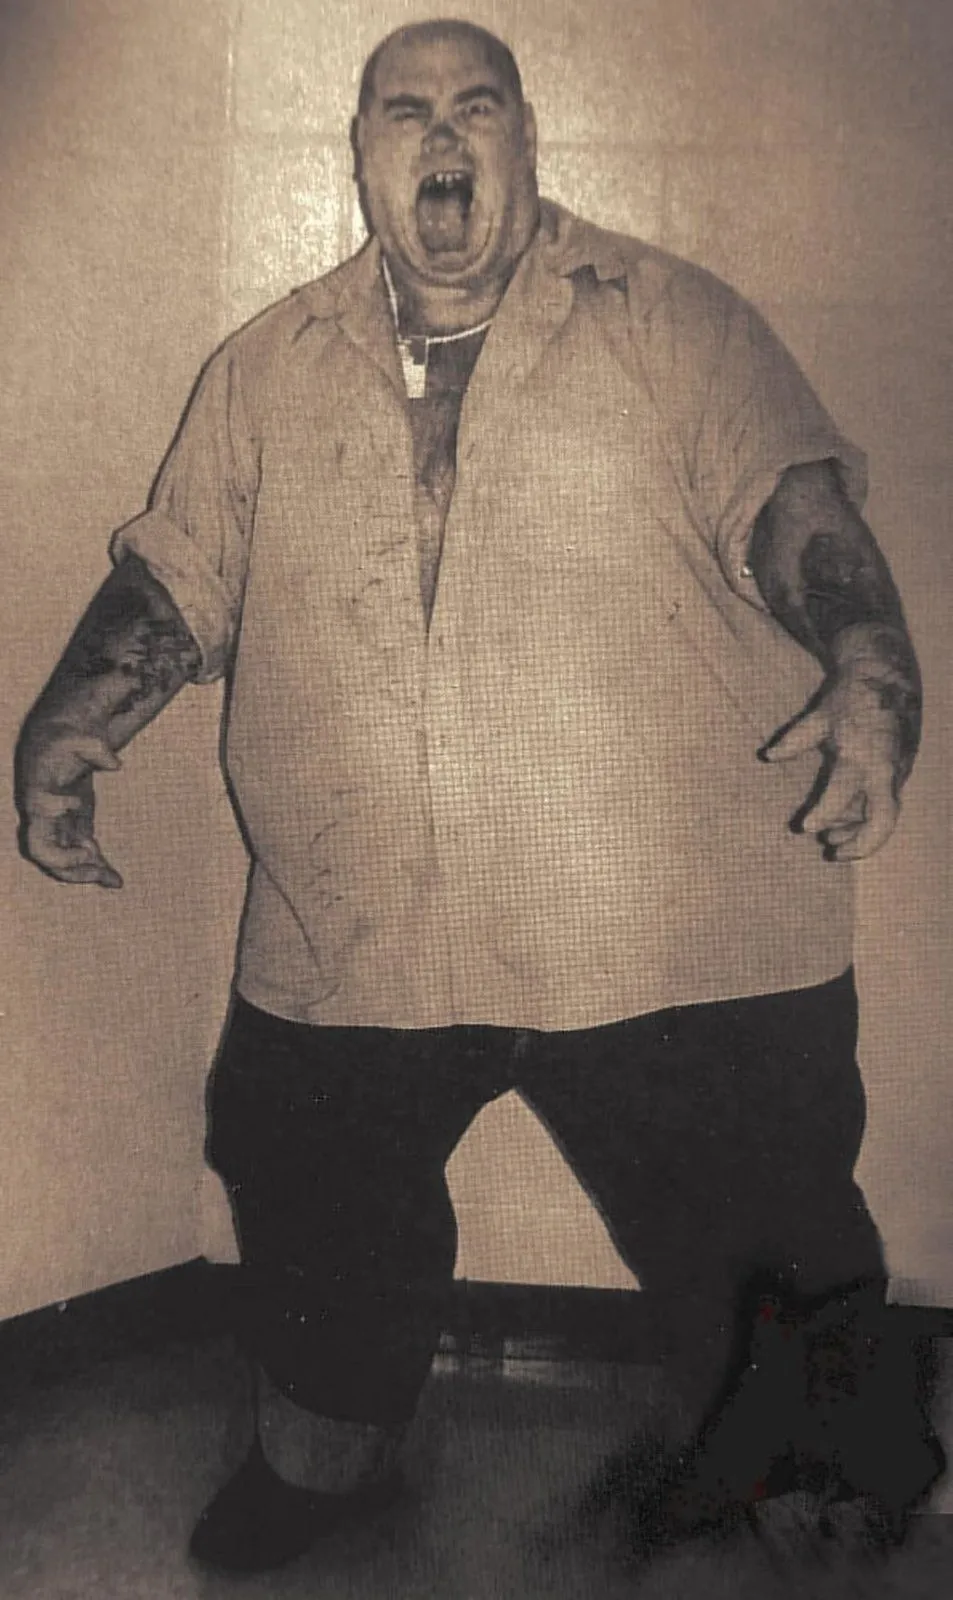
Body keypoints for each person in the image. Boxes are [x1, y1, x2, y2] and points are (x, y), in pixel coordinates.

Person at [14, 16, 939, 1575]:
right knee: (301, 1177)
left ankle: (825, 1481)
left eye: (477, 107)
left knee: (763, 1215)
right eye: (406, 112)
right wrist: (68, 727)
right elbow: (181, 580)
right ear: (361, 156)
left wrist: (869, 662)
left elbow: (793, 509)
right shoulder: (265, 369)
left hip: (665, 918)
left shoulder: (674, 322)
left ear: (525, 140)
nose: (443, 138)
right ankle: (328, 1460)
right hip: (360, 914)